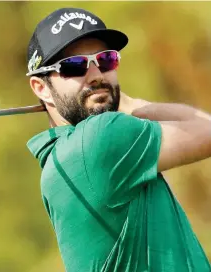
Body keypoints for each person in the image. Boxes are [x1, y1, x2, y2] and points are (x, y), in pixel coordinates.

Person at [25, 7, 211, 272]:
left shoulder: (57, 163)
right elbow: (207, 130)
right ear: (41, 87)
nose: (97, 75)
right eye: (74, 66)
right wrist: (132, 104)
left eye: (105, 60)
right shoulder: (101, 138)